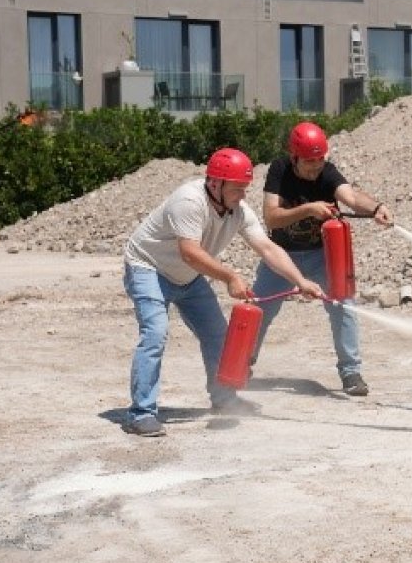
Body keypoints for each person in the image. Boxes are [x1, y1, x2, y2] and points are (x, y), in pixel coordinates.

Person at [122, 147, 325, 436]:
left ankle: (224, 398)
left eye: (245, 188)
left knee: (218, 335)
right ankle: (141, 414)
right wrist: (230, 277)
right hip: (148, 267)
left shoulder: (238, 212)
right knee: (155, 333)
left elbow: (267, 247)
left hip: (187, 276)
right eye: (238, 188)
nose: (243, 195)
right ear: (215, 183)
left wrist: (300, 281)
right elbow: (190, 252)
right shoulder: (189, 201)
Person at [250, 122, 392, 397]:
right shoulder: (279, 170)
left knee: (343, 306)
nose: (315, 167)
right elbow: (271, 217)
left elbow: (349, 197)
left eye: (319, 159)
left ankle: (351, 372)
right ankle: (243, 363)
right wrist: (308, 210)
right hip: (282, 255)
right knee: (260, 309)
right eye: (309, 161)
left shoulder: (327, 173)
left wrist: (376, 208)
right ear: (294, 157)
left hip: (321, 256)